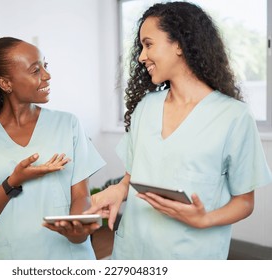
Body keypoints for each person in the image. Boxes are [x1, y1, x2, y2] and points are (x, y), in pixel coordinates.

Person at [85, 1, 272, 259]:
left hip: (191, 255)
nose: (141, 56)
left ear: (180, 45)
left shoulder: (233, 116)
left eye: (148, 44)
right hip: (132, 252)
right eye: (141, 47)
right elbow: (133, 177)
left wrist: (204, 219)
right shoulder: (145, 108)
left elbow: (244, 202)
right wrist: (119, 189)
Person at [0, 34, 106, 259]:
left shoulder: (68, 124)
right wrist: (12, 183)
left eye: (45, 66)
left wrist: (77, 229)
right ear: (5, 83)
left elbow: (81, 196)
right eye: (35, 70)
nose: (47, 76)